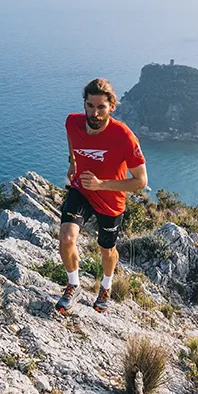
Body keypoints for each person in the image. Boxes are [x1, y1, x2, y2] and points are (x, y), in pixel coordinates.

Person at [55, 78, 148, 314]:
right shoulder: (72, 122)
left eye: (101, 107)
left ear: (111, 107)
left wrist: (101, 184)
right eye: (90, 106)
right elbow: (72, 140)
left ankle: (105, 287)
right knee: (66, 238)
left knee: (107, 250)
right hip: (81, 190)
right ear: (84, 104)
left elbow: (141, 181)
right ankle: (73, 285)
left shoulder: (124, 137)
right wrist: (72, 162)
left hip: (110, 198)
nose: (94, 113)